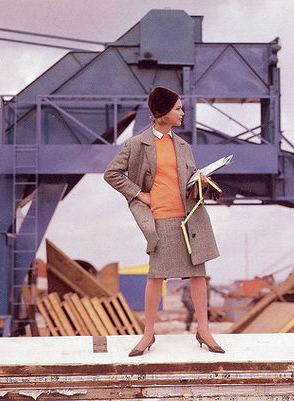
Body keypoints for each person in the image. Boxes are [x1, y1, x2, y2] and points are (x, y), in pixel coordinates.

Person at [104, 86, 224, 356]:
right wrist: (139, 194)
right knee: (156, 276)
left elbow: (189, 178)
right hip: (160, 218)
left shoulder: (183, 145)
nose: (183, 113)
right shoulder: (137, 144)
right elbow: (112, 173)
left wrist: (200, 180)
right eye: (178, 108)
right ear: (162, 113)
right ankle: (148, 335)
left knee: (198, 275)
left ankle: (204, 331)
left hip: (190, 217)